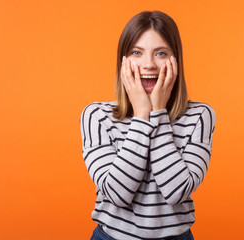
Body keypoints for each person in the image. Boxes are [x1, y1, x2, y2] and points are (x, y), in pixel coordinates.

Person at [80, 10, 216, 240]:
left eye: (161, 53)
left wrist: (158, 113)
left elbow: (176, 191)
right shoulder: (96, 115)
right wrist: (142, 114)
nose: (149, 64)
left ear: (176, 60)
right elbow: (117, 194)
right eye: (136, 52)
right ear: (123, 61)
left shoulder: (200, 116)